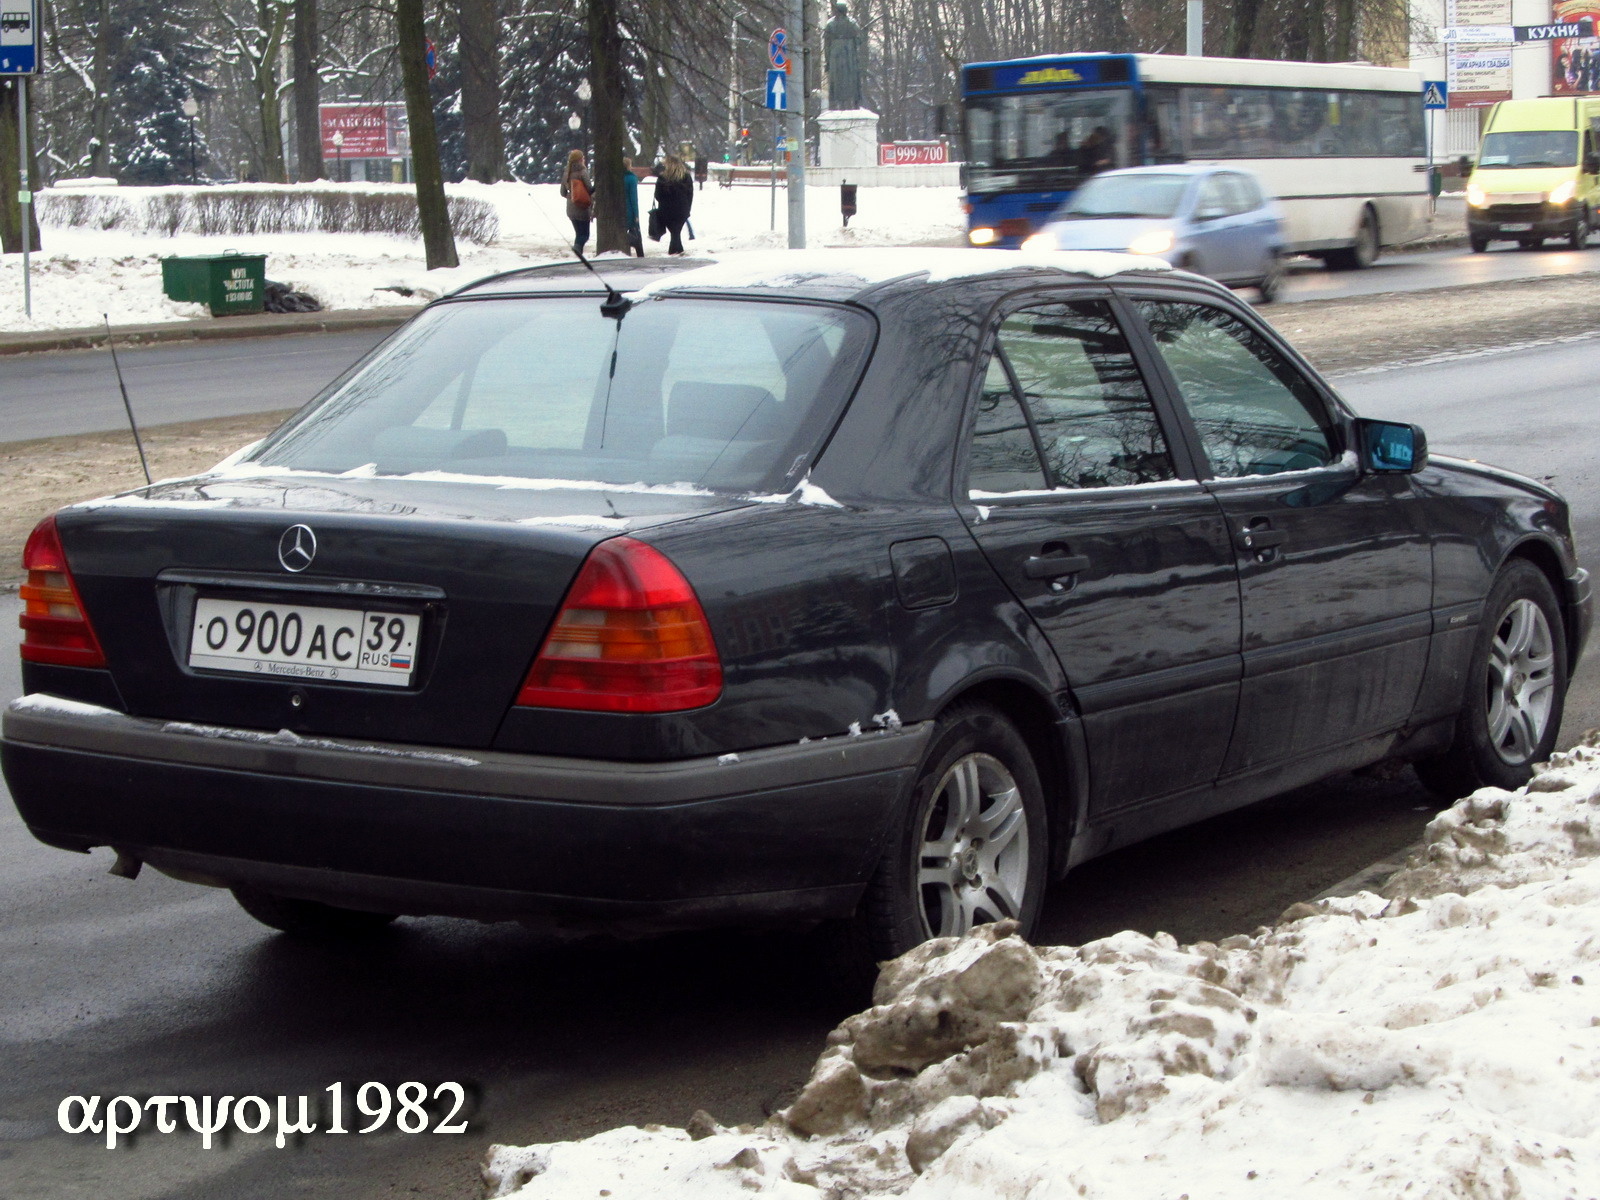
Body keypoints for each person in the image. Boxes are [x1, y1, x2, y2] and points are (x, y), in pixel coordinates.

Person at [654, 154, 694, 255]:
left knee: (674, 232)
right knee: (676, 231)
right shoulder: (686, 177)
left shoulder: (663, 177)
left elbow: (657, 195)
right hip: (682, 209)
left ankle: (674, 251)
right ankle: (678, 250)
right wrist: (688, 208)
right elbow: (690, 194)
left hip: (666, 209)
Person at [560, 149, 593, 256]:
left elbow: (562, 192)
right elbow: (589, 189)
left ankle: (579, 253)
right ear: (580, 159)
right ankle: (577, 248)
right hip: (582, 207)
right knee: (585, 235)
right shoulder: (582, 171)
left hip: (570, 207)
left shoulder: (567, 172)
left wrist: (571, 197)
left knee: (578, 233)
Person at [622, 156, 644, 257]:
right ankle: (640, 254)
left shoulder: (617, 177)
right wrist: (636, 214)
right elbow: (633, 199)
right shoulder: (631, 178)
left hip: (619, 211)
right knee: (636, 234)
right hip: (629, 210)